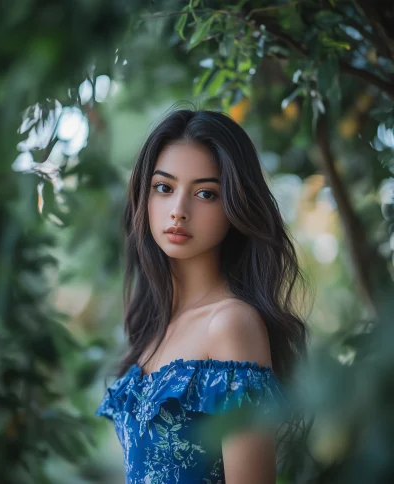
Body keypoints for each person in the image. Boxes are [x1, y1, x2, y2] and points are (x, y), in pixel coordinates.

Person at [96, 106, 310, 483]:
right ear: (145, 197)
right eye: (164, 188)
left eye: (206, 194)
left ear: (234, 206)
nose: (178, 211)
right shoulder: (154, 327)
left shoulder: (230, 324)